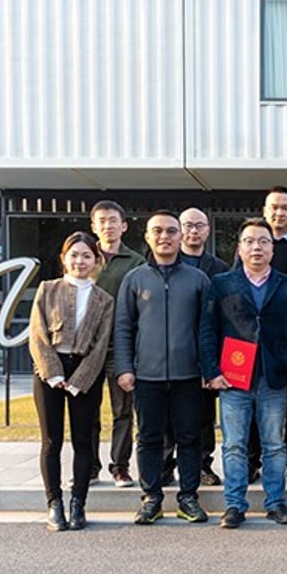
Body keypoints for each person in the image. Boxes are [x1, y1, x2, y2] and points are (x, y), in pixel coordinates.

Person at [200, 217, 287, 529]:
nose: (256, 247)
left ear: (272, 249)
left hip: (275, 377)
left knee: (275, 444)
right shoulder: (221, 284)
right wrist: (211, 371)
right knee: (234, 444)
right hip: (233, 378)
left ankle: (276, 503)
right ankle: (234, 505)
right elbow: (208, 330)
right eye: (249, 241)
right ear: (240, 248)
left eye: (263, 241)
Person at [114, 211, 211, 525]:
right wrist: (125, 368)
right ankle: (152, 497)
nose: (165, 237)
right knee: (149, 438)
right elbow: (123, 328)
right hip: (147, 376)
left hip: (189, 376)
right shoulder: (135, 279)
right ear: (147, 236)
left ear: (181, 236)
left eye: (171, 231)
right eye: (158, 231)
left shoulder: (198, 279)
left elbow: (208, 329)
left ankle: (188, 497)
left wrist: (208, 369)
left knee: (189, 438)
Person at [28, 232, 114, 531]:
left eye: (87, 255)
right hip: (48, 370)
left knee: (83, 439)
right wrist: (53, 373)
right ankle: (54, 504)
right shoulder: (47, 289)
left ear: (96, 260)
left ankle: (78, 503)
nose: (80, 261)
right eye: (74, 255)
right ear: (64, 258)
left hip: (85, 372)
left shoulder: (105, 300)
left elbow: (102, 344)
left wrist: (79, 379)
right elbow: (37, 334)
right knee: (51, 441)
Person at [246, 186, 287, 485]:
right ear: (264, 211)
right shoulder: (251, 245)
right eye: (274, 207)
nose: (279, 213)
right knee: (252, 403)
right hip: (255, 340)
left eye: (285, 208)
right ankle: (252, 460)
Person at [160, 207, 230, 488]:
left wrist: (213, 363)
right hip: (172, 351)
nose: (193, 231)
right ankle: (165, 465)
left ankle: (203, 465)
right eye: (187, 225)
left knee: (202, 417)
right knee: (166, 416)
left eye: (199, 225)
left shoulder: (220, 268)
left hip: (206, 354)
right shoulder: (165, 265)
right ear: (179, 230)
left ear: (208, 230)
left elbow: (224, 317)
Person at [88, 199, 144, 488]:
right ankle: (89, 466)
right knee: (87, 410)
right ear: (93, 226)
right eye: (102, 221)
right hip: (85, 350)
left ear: (123, 226)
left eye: (113, 220)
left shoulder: (136, 263)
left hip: (119, 348)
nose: (108, 226)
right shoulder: (83, 257)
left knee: (122, 410)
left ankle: (119, 466)